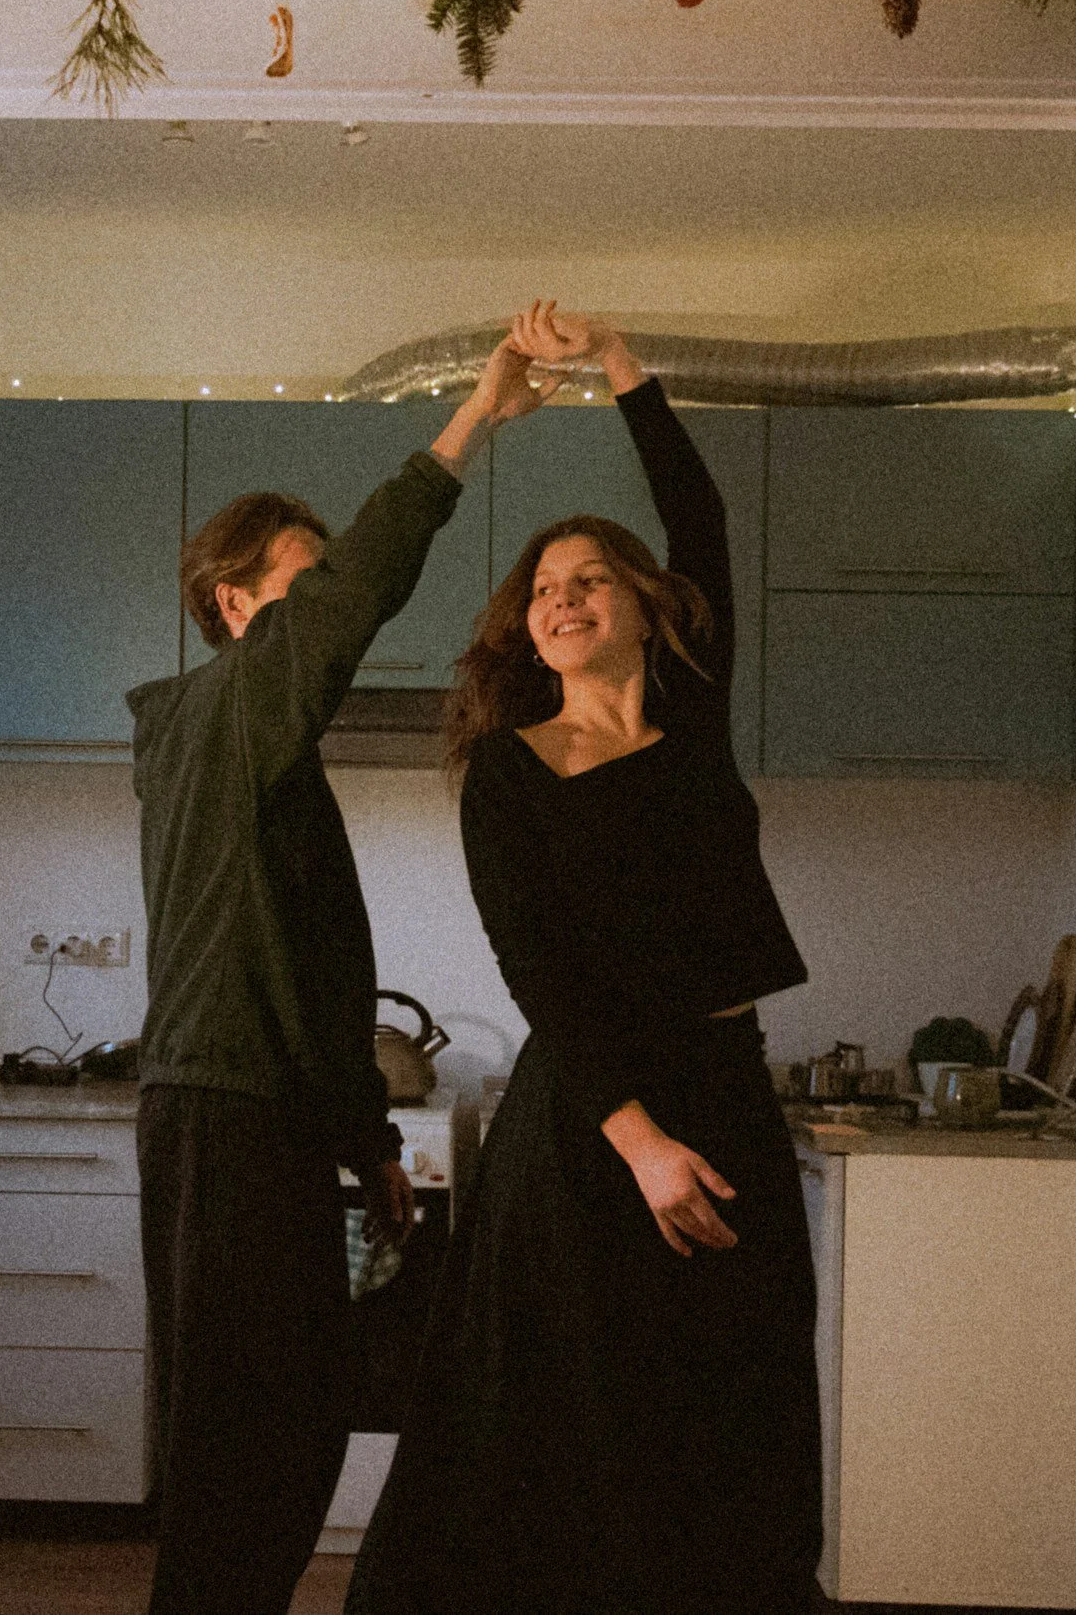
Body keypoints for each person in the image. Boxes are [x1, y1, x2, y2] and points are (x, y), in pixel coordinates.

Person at [347, 307, 822, 1614]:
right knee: (581, 1411)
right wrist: (643, 1142)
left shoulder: (692, 704)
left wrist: (622, 368)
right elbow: (537, 964)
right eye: (543, 588)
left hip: (724, 1072)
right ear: (526, 627)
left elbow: (700, 517)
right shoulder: (507, 768)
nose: (562, 597)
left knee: (745, 1377)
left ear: (642, 605)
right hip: (594, 1114)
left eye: (588, 579)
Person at [125, 328, 559, 1615]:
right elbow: (364, 584)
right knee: (236, 1452)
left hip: (264, 1123)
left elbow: (314, 978)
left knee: (295, 1427)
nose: (332, 615)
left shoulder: (266, 753)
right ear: (235, 605)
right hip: (221, 1116)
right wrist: (474, 415)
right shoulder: (223, 711)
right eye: (302, 590)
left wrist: (368, 1144)